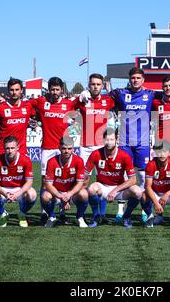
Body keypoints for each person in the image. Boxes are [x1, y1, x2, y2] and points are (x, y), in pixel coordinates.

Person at [81, 68, 170, 222]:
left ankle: (146, 211)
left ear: (143, 80)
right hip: (124, 143)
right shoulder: (120, 93)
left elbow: (167, 94)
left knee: (143, 177)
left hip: (142, 144)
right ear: (129, 79)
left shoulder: (151, 94)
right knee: (123, 177)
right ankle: (120, 211)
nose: (135, 80)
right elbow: (99, 97)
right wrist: (84, 93)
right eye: (133, 78)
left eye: (138, 78)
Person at [30, 77, 77, 223]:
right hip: (48, 148)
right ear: (48, 89)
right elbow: (26, 105)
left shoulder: (68, 103)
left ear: (61, 90)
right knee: (45, 180)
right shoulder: (41, 101)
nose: (55, 92)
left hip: (64, 147)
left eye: (57, 89)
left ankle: (62, 211)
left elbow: (81, 106)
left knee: (64, 180)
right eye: (52, 89)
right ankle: (45, 211)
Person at [74, 73, 115, 223]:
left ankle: (100, 214)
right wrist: (79, 97)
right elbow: (67, 106)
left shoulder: (108, 100)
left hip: (101, 146)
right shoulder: (83, 100)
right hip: (85, 146)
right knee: (84, 181)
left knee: (102, 181)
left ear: (102, 86)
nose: (95, 87)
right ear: (89, 85)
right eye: (93, 84)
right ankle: (82, 214)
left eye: (98, 84)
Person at [85, 129, 143, 228]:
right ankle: (96, 216)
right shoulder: (95, 154)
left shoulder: (125, 156)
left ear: (117, 140)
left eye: (112, 139)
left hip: (119, 189)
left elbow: (133, 180)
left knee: (138, 191)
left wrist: (115, 190)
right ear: (103, 140)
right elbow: (85, 175)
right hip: (102, 187)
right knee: (91, 189)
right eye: (107, 139)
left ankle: (126, 216)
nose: (109, 142)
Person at [0, 136, 37, 228]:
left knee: (32, 194)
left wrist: (17, 194)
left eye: (12, 148)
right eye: (7, 148)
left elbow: (29, 182)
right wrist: (5, 193)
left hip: (19, 189)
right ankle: (3, 213)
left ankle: (22, 214)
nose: (10, 151)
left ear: (17, 147)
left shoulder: (25, 160)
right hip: (4, 189)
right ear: (4, 148)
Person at [41, 136, 89, 228]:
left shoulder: (79, 161)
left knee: (84, 194)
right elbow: (48, 184)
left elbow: (80, 183)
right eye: (64, 148)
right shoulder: (51, 161)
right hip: (57, 193)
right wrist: (61, 196)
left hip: (71, 193)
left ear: (73, 149)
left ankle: (79, 217)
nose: (66, 151)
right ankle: (52, 217)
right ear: (59, 148)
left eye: (69, 148)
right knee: (45, 196)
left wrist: (68, 195)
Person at [141, 139, 170, 228]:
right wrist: (156, 203)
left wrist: (167, 194)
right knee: (143, 195)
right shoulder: (151, 164)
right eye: (159, 151)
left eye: (165, 151)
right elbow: (147, 186)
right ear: (155, 152)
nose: (162, 154)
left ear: (169, 152)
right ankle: (151, 216)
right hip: (155, 194)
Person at [0, 78, 32, 161]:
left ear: (21, 90)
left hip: (21, 151)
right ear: (8, 90)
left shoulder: (28, 106)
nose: (14, 92)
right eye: (11, 90)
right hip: (3, 151)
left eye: (17, 89)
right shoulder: (0, 107)